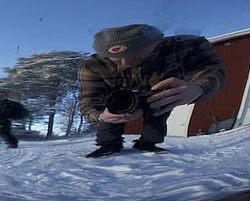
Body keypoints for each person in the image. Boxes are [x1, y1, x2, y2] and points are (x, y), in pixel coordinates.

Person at [78, 25, 225, 158]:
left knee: (158, 110)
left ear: (156, 43)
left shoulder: (186, 47)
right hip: (117, 97)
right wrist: (100, 116)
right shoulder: (93, 66)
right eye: (116, 60)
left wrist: (199, 87)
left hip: (158, 95)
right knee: (110, 111)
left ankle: (149, 142)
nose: (126, 64)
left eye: (137, 57)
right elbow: (88, 101)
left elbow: (211, 69)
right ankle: (108, 144)